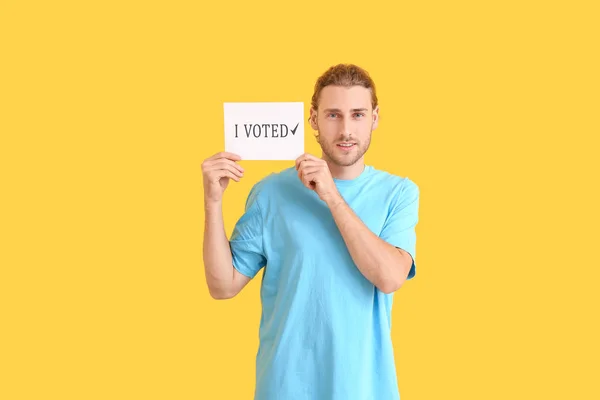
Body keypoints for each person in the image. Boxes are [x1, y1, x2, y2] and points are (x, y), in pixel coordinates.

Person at [202, 63, 420, 400]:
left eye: (358, 115)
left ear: (375, 118)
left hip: (364, 391)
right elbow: (222, 286)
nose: (346, 129)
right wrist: (213, 202)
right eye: (333, 115)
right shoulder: (271, 193)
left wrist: (331, 195)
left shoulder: (398, 193)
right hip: (284, 389)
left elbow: (390, 277)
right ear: (314, 119)